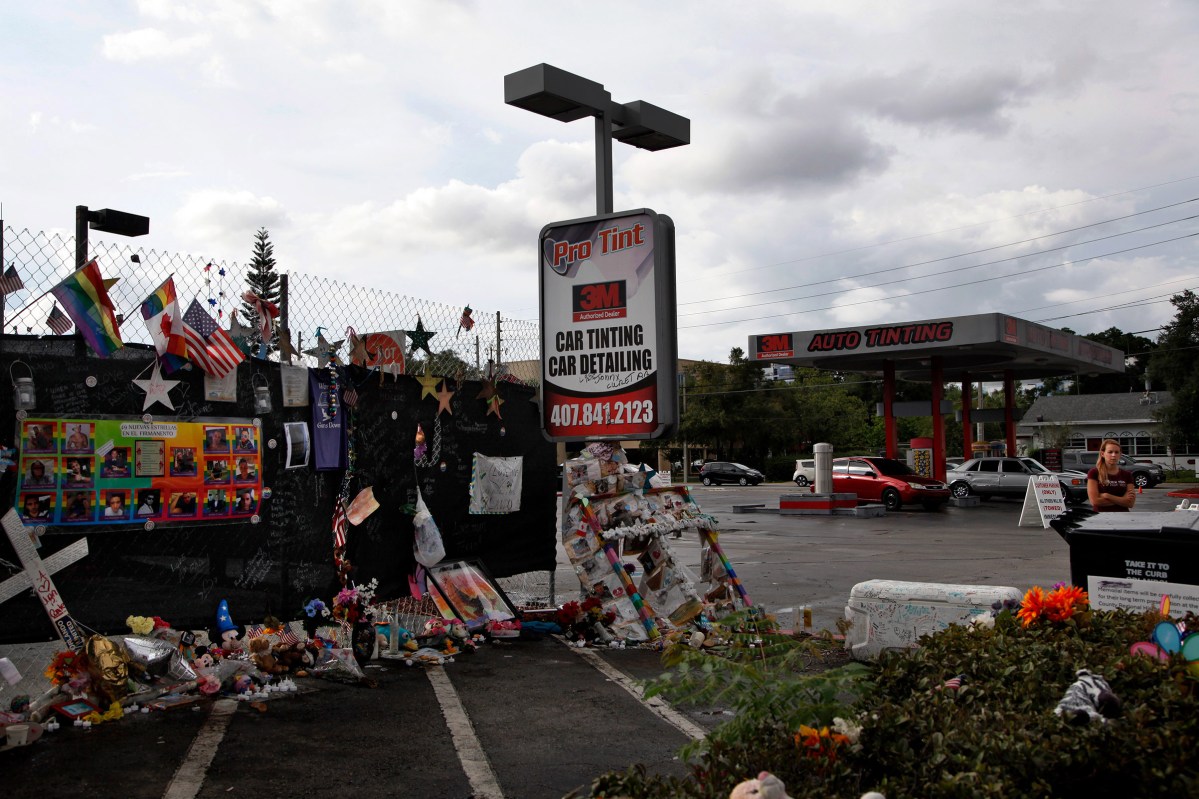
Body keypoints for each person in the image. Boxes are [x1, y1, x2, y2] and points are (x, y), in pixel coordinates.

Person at [1087, 438, 1136, 513]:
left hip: (1124, 518)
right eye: (1110, 452)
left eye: (1116, 452)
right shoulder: (1094, 472)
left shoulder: (1127, 475)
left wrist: (1107, 496)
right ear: (1102, 454)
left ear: (1120, 454)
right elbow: (1095, 501)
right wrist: (1122, 499)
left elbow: (1130, 503)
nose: (1113, 455)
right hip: (1101, 518)